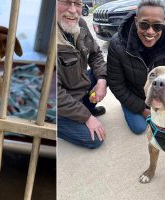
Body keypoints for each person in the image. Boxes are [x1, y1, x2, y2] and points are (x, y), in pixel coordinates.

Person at [107, 0, 165, 134]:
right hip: (134, 94)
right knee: (139, 128)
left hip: (162, 89)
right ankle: (127, 105)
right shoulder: (117, 45)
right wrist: (142, 109)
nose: (150, 31)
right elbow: (116, 85)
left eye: (157, 26)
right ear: (136, 21)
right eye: (144, 24)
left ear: (164, 22)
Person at [57, 0, 107, 149]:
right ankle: (59, 126)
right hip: (61, 103)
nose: (73, 10)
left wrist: (102, 82)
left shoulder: (81, 24)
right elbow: (56, 95)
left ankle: (87, 109)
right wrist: (86, 117)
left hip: (79, 86)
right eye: (66, 2)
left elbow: (96, 55)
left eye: (77, 3)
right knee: (96, 140)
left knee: (105, 73)